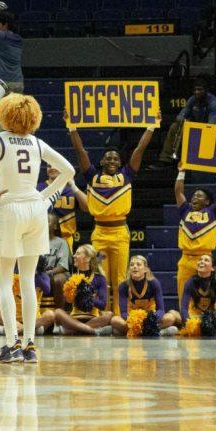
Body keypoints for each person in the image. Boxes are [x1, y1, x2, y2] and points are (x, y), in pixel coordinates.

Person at [0, 93, 75, 363]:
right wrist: (47, 196)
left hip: (11, 207)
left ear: (5, 114)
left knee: (4, 281)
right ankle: (30, 345)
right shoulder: (37, 142)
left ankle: (11, 344)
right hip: (35, 208)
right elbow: (69, 170)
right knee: (27, 280)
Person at [68, 121, 156, 314]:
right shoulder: (92, 176)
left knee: (120, 279)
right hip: (99, 234)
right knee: (100, 277)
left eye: (116, 159)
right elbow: (81, 151)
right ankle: (99, 315)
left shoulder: (126, 174)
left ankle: (119, 316)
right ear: (101, 162)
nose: (112, 161)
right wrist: (72, 128)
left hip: (120, 234)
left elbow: (139, 149)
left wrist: (151, 127)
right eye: (108, 159)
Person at [173, 170, 216, 295]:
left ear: (207, 201)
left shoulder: (214, 211)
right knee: (183, 296)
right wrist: (181, 172)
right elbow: (178, 192)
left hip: (204, 258)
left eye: (199, 196)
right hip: (185, 259)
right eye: (194, 195)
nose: (195, 197)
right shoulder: (186, 210)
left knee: (206, 296)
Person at [110, 255, 179, 335]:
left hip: (151, 319)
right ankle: (158, 332)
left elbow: (161, 310)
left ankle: (134, 332)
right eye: (132, 265)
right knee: (114, 320)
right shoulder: (123, 285)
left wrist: (151, 319)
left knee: (170, 318)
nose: (134, 267)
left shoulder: (154, 283)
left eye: (138, 264)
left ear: (145, 269)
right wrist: (134, 320)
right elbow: (124, 312)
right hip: (133, 320)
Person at [52, 244, 111, 335]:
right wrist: (70, 297)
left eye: (78, 253)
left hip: (93, 318)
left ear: (87, 259)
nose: (74, 256)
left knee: (109, 315)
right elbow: (66, 306)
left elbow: (103, 305)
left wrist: (89, 298)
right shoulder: (72, 278)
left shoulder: (100, 278)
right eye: (75, 253)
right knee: (58, 312)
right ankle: (92, 330)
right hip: (74, 318)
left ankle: (73, 330)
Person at [160, 80, 216, 162]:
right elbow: (180, 117)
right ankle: (166, 158)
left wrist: (193, 126)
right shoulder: (192, 100)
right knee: (175, 127)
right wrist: (187, 123)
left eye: (200, 90)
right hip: (196, 127)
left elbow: (212, 126)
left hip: (212, 131)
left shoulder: (214, 103)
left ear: (206, 90)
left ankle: (198, 159)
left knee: (205, 130)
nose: (197, 92)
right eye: (195, 90)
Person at [176, 254, 216, 331]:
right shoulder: (190, 282)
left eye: (206, 260)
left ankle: (215, 327)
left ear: (212, 268)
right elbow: (184, 308)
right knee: (173, 315)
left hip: (211, 317)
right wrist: (189, 322)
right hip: (194, 317)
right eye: (200, 259)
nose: (201, 261)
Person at [47, 167, 80, 252]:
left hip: (67, 238)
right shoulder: (39, 187)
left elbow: (87, 208)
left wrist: (73, 186)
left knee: (65, 265)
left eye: (55, 165)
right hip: (43, 238)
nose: (52, 168)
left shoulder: (71, 188)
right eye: (49, 165)